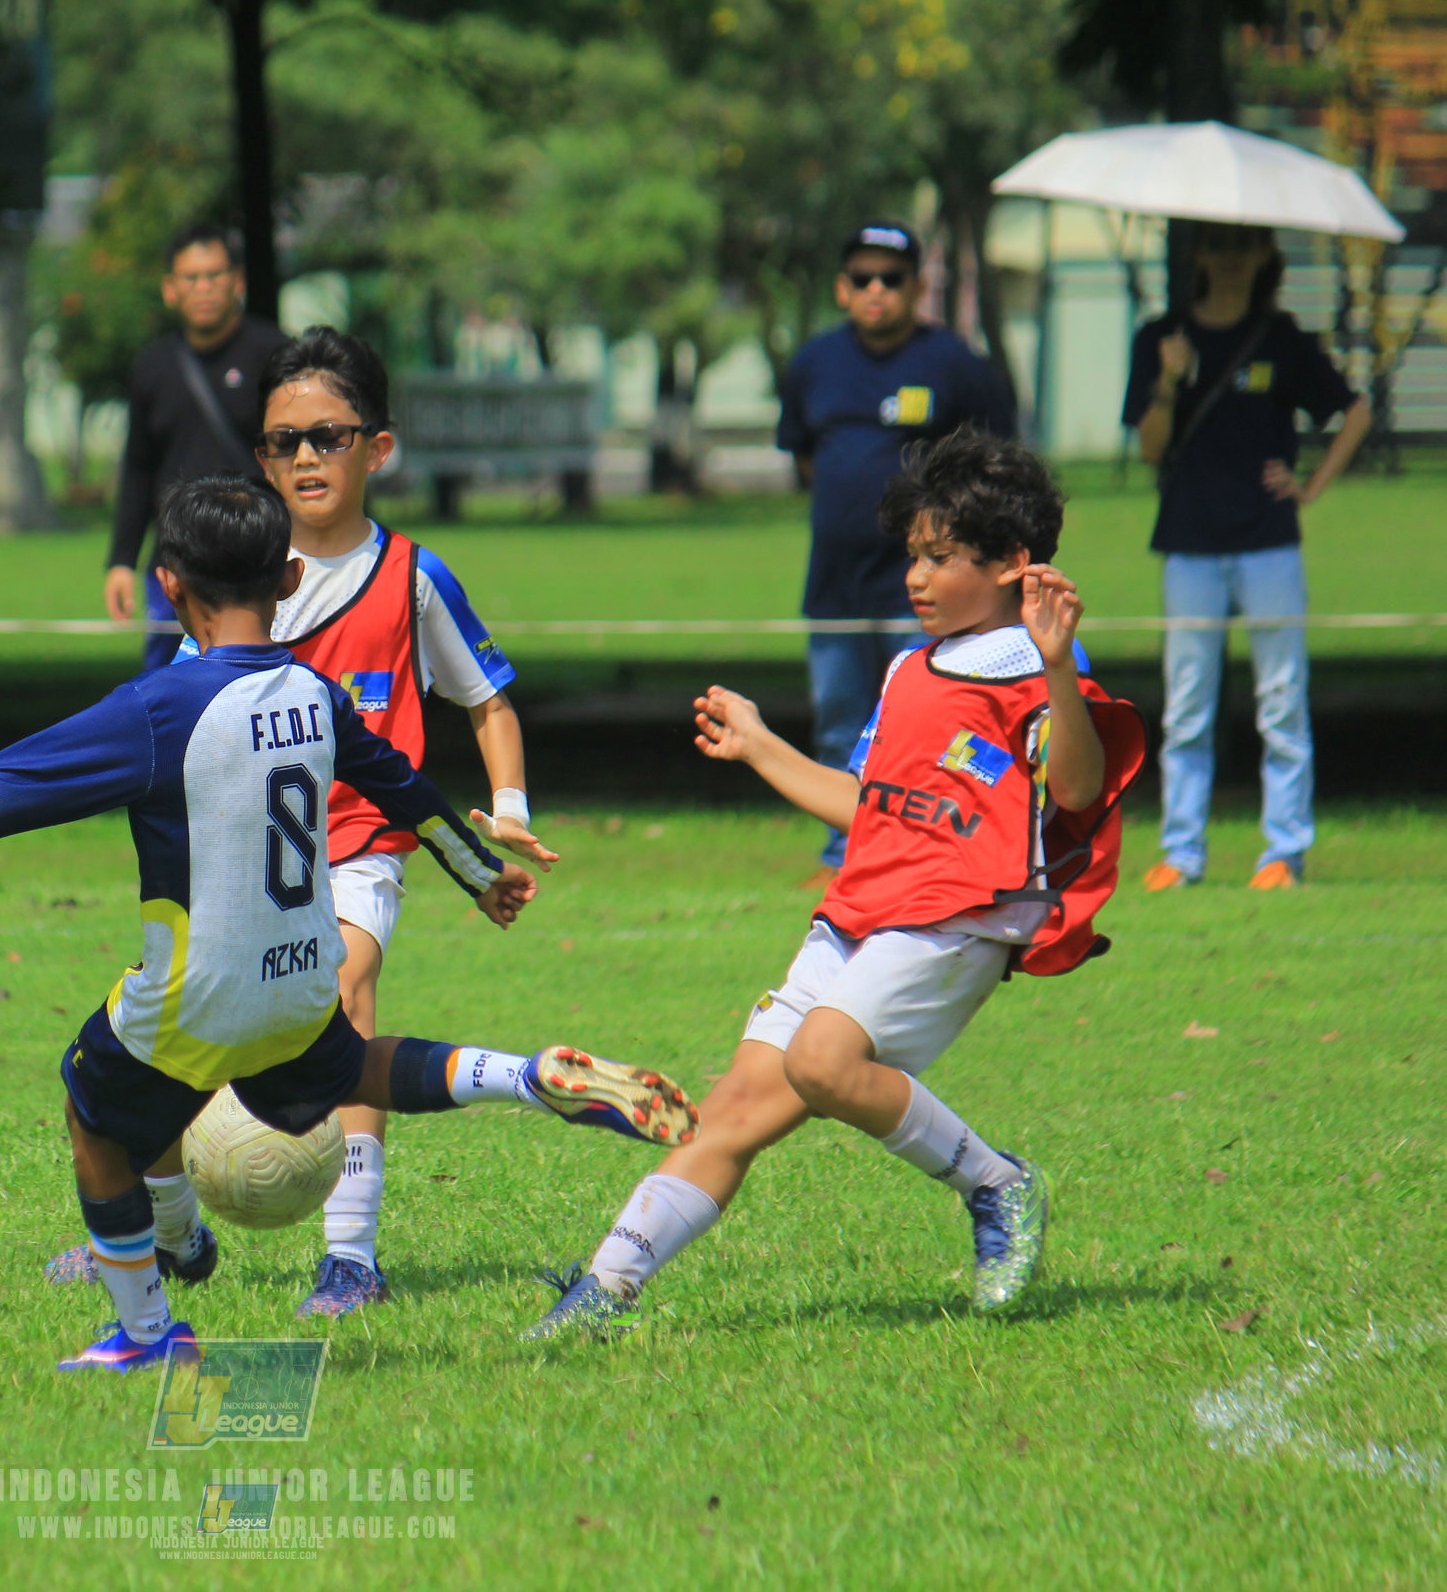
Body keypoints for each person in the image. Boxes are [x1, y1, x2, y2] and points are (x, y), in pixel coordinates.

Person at [0, 475, 697, 1370]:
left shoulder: (159, 706)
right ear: (287, 578)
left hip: (198, 995)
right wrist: (478, 874)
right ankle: (525, 1076)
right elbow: (405, 788)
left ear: (169, 586)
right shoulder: (316, 692)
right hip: (300, 978)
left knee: (91, 1111)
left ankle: (147, 1333)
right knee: (360, 1068)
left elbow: (0, 796)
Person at [526, 428, 1146, 1340]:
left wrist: (1058, 662)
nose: (917, 578)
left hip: (959, 918)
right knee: (730, 1112)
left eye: (941, 558)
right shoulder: (906, 668)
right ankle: (602, 1291)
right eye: (913, 557)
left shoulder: (1035, 671)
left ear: (1014, 562)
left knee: (821, 1060)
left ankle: (996, 1182)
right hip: (859, 909)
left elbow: (1080, 788)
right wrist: (759, 744)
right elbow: (866, 806)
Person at [48, 328, 559, 1319]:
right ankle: (163, 1228)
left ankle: (351, 1253)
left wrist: (505, 807)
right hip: (231, 855)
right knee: (187, 1025)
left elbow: (487, 698)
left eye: (328, 436)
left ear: (380, 446)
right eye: (282, 441)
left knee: (342, 994)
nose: (304, 458)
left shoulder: (411, 576)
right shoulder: (232, 564)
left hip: (359, 845)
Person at [1123, 221, 1370, 892]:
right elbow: (1148, 446)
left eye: (1243, 246)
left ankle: (1282, 852)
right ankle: (1180, 853)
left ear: (1263, 256)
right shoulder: (1159, 337)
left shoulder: (1282, 338)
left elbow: (1353, 410)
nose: (1229, 260)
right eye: (1217, 246)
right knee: (1186, 707)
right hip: (1189, 544)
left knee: (1282, 698)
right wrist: (1169, 381)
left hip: (1268, 542)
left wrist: (1311, 486)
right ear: (1198, 255)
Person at [777, 221, 1018, 870]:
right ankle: (843, 852)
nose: (875, 289)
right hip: (832, 583)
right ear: (840, 288)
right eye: (862, 277)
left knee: (923, 721)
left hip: (921, 589)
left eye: (891, 277)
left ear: (917, 287)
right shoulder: (812, 365)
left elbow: (995, 467)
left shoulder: (955, 365)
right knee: (836, 718)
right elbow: (803, 459)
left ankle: (922, 847)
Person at [104, 224, 290, 670]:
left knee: (262, 677)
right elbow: (137, 466)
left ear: (237, 281)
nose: (203, 287)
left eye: (214, 275)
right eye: (190, 278)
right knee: (166, 689)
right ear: (170, 289)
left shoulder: (275, 354)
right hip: (174, 564)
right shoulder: (153, 366)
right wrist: (121, 561)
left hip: (257, 556)